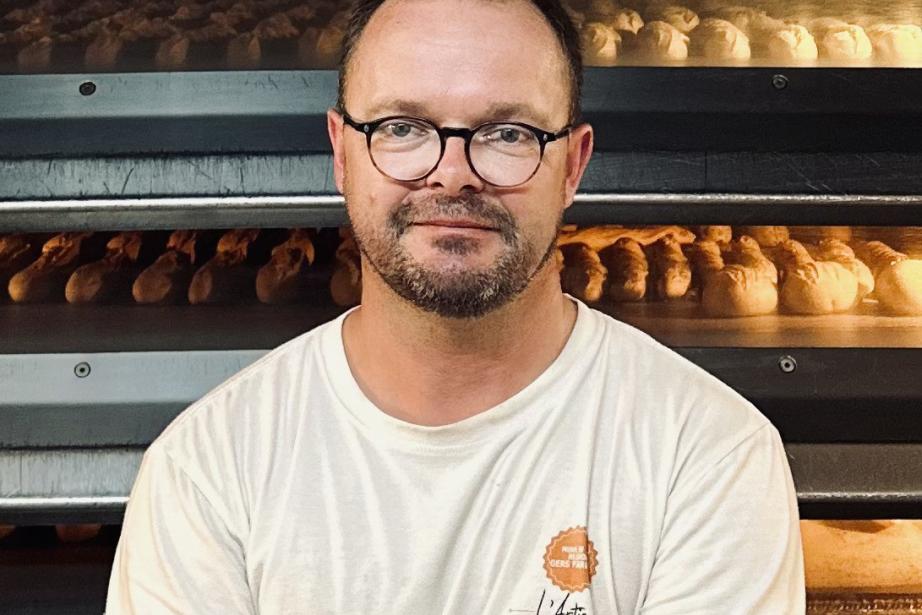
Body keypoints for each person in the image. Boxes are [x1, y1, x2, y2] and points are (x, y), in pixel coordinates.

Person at [106, 0, 805, 612]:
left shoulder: (708, 456)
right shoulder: (209, 470)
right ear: (342, 152)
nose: (453, 171)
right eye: (403, 127)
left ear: (573, 165)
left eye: (508, 134)